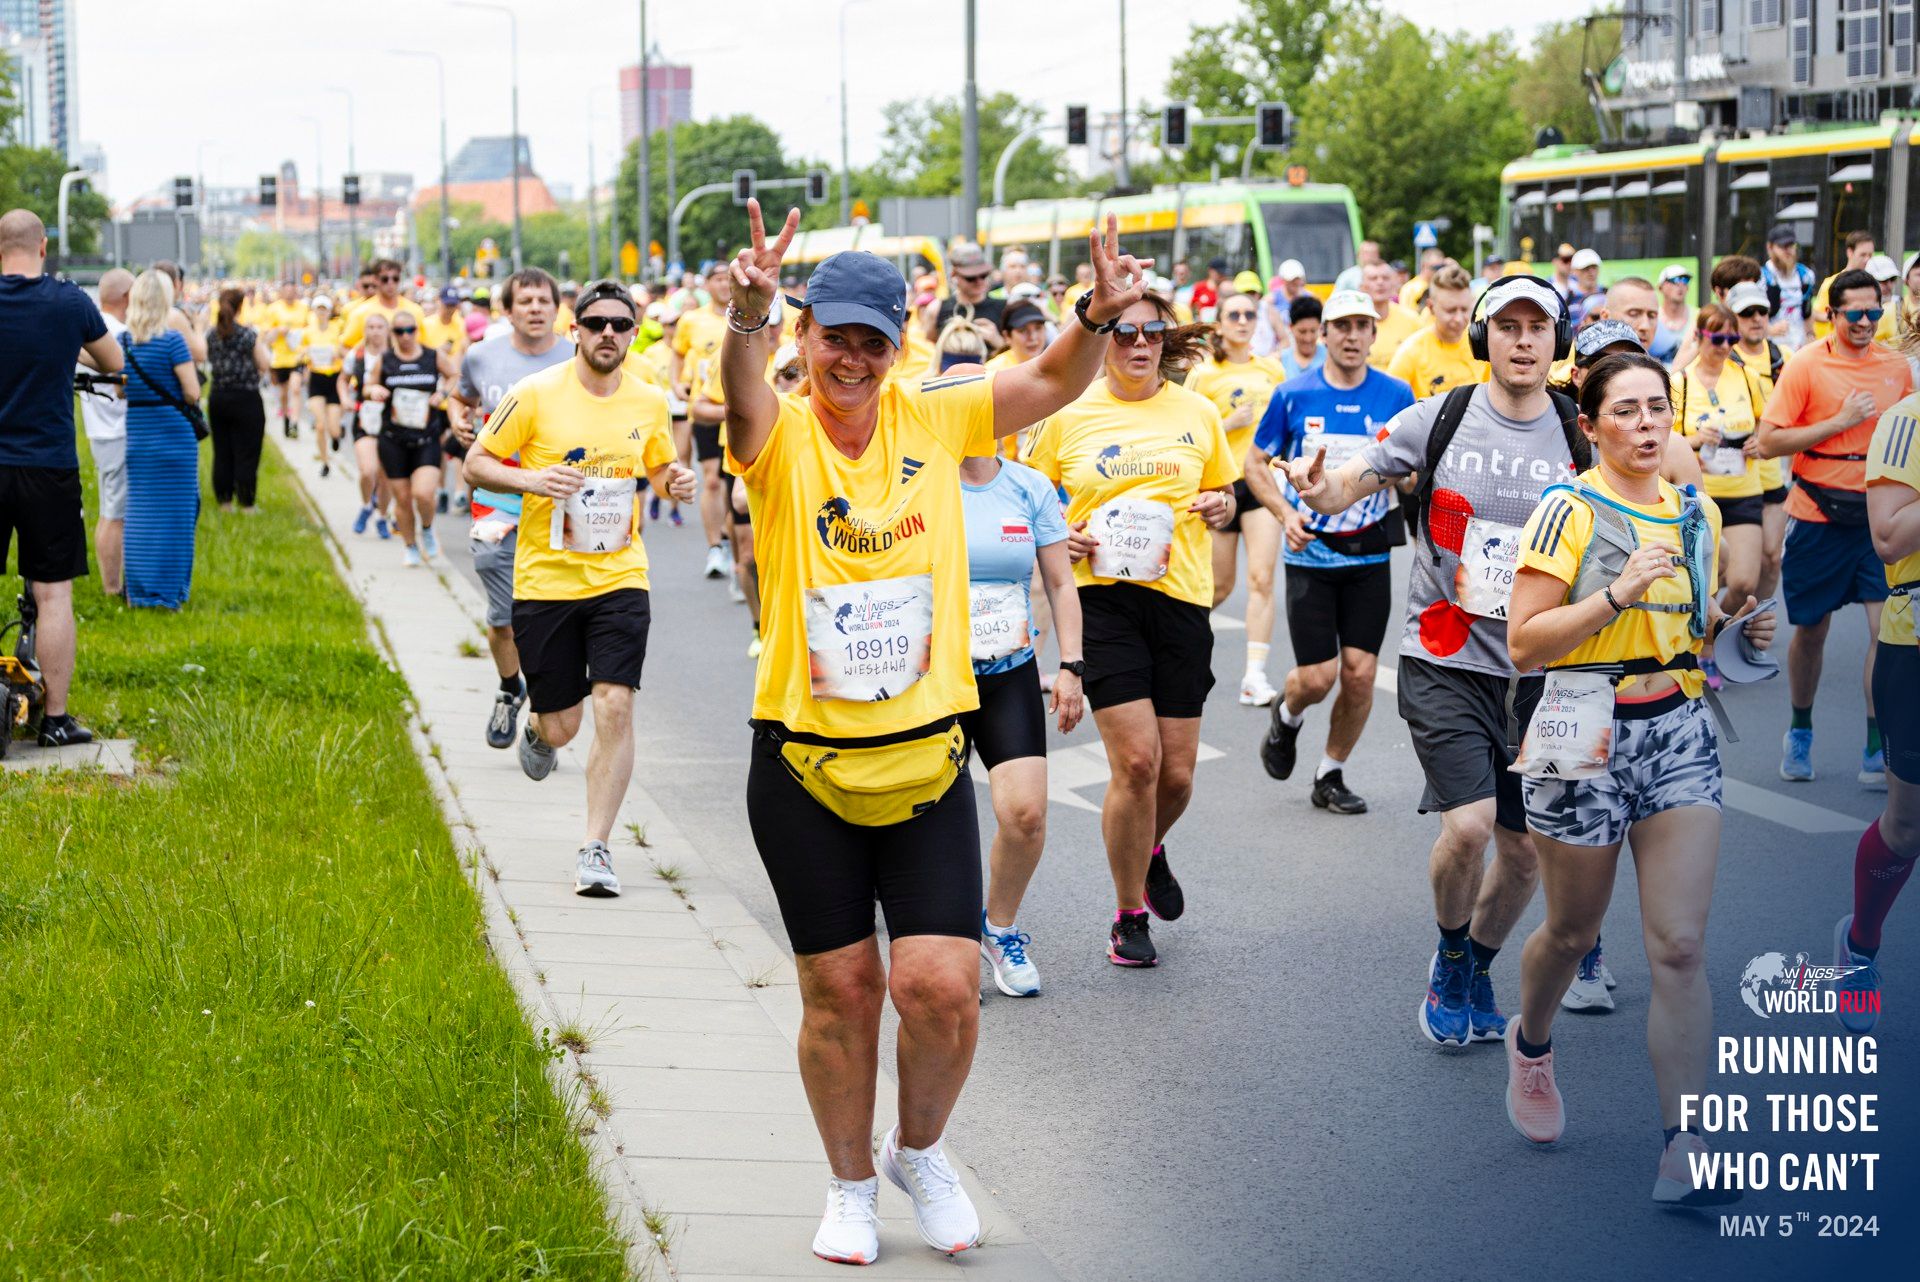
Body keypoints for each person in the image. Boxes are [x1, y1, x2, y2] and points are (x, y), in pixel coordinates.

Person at [719, 204, 1146, 1266]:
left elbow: (1049, 382)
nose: (851, 360)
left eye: (872, 342)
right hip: (805, 770)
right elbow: (742, 402)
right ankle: (849, 1186)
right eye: (833, 338)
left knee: (942, 989)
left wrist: (1095, 314)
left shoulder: (938, 415)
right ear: (805, 336)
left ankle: (920, 1151)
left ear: (898, 346)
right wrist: (747, 317)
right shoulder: (781, 436)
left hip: (922, 765)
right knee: (841, 993)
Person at [1285, 275, 1585, 1047]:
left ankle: (1477, 962)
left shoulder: (1578, 431)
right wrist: (1320, 492)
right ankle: (1451, 955)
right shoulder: (1441, 416)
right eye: (1508, 326)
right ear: (1484, 338)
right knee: (1471, 827)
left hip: (1543, 674)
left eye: (1538, 327)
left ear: (1556, 341)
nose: (1524, 341)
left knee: (1525, 855)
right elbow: (1351, 480)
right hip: (1445, 656)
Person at [1501, 350, 1762, 1208]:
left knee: (1679, 947)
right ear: (1590, 425)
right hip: (1580, 727)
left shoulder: (1694, 512)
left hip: (1678, 727)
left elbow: (1691, 624)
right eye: (1626, 411)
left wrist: (1730, 630)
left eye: (1658, 408)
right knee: (1571, 933)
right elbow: (1525, 642)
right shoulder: (1566, 510)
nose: (1647, 425)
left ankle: (1686, 1146)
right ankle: (1531, 1041)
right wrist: (1614, 594)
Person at [463, 278, 695, 895]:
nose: (608, 334)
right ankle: (538, 730)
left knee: (615, 703)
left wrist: (673, 482)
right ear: (576, 331)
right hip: (547, 582)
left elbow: (658, 466)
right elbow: (475, 464)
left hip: (621, 575)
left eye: (620, 324)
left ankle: (596, 847)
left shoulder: (648, 398)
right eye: (596, 324)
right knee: (563, 726)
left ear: (633, 332)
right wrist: (534, 480)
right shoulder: (534, 394)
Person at [1028, 291, 1238, 969]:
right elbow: (1029, 502)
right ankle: (1128, 915)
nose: (1140, 344)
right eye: (1123, 332)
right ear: (1102, 340)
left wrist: (1221, 504)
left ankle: (1147, 846)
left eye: (1152, 332)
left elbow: (1224, 493)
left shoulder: (1197, 412)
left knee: (1175, 777)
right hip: (1102, 601)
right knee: (1138, 763)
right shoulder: (1066, 413)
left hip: (1180, 601)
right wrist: (1061, 536)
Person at [1249, 289, 1414, 814]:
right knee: (1317, 678)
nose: (1351, 336)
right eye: (1341, 326)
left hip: (1369, 557)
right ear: (1323, 334)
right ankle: (1288, 713)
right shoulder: (1292, 394)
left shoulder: (1396, 394)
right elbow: (1255, 463)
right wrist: (1285, 513)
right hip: (1311, 558)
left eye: (1362, 326)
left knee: (1360, 674)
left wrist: (1409, 478)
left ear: (1374, 334)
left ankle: (1330, 773)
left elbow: (1413, 471)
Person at [1758, 268, 1914, 787]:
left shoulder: (1897, 366)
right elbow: (1769, 442)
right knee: (1812, 630)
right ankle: (1800, 728)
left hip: (1879, 517)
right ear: (1832, 314)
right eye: (1855, 313)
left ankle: (1875, 742)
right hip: (1817, 513)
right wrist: (1839, 422)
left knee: (1882, 630)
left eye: (1874, 311)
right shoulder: (1806, 364)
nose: (1866, 321)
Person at [959, 442, 1083, 998]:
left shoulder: (1029, 486)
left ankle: (998, 929)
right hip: (934, 680)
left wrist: (1071, 667)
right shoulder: (916, 476)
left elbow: (1060, 582)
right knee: (938, 820)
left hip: (1008, 669)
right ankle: (949, 942)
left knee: (1026, 814)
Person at [0, 209, 121, 745]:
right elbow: (112, 360)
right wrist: (63, 348)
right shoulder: (70, 301)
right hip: (48, 466)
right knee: (53, 596)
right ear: (43, 247)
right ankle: (54, 720)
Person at [448, 267, 575, 750]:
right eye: (526, 301)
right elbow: (459, 397)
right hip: (497, 499)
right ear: (508, 310)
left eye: (544, 301)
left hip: (560, 503)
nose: (536, 309)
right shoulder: (482, 355)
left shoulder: (576, 357)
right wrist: (459, 421)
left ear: (557, 308)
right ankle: (509, 687)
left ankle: (545, 714)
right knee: (503, 615)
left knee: (555, 616)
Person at [1835, 374, 1920, 1034]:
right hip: (1913, 643)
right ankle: (1860, 944)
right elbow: (1888, 537)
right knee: (1909, 826)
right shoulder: (1906, 422)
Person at [1186, 291, 1285, 705]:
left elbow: (1287, 423)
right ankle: (1178, 641)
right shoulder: (1204, 374)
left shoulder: (1272, 369)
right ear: (1220, 324)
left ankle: (1254, 676)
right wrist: (1226, 424)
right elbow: (1186, 433)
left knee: (1262, 579)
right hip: (1220, 485)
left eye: (1249, 314)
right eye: (1234, 315)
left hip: (1261, 481)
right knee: (1220, 584)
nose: (1243, 321)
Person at [1674, 305, 1770, 633]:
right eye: (1718, 339)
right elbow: (1666, 442)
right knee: (1705, 580)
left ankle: (1716, 633)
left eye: (1732, 339)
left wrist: (1758, 441)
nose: (1726, 346)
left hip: (1743, 490)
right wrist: (1696, 440)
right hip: (1698, 496)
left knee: (1744, 582)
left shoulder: (1747, 376)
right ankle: (1703, 640)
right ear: (1699, 336)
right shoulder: (1680, 382)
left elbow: (1765, 420)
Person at [119, 270, 202, 611]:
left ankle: (138, 591)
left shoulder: (124, 342)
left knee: (140, 515)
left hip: (139, 435)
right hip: (174, 439)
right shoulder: (172, 341)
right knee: (176, 518)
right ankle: (168, 592)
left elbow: (121, 390)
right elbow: (192, 392)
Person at [365, 308, 460, 566]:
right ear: (392, 334)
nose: (405, 336)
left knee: (424, 494)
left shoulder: (432, 356)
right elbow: (367, 386)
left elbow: (454, 375)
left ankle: (427, 528)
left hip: (426, 438)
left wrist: (442, 393)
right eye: (399, 331)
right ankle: (410, 546)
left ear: (417, 331)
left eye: (410, 330)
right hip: (393, 439)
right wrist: (374, 391)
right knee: (403, 499)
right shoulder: (385, 359)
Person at [1722, 278, 1792, 600]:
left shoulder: (1784, 357)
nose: (1756, 319)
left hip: (1772, 474)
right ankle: (1722, 623)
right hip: (1730, 480)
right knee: (1732, 572)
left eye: (1762, 311)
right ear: (1733, 318)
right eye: (1747, 312)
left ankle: (1752, 622)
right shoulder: (1722, 354)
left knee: (1772, 558)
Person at [78, 268, 133, 597]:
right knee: (115, 514)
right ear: (127, 297)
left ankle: (113, 582)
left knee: (110, 510)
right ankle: (113, 587)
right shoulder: (120, 334)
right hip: (119, 430)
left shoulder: (88, 332)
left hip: (99, 428)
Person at [205, 288, 272, 513]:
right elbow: (264, 364)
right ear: (240, 307)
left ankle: (224, 502)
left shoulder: (212, 335)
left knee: (222, 451)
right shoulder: (247, 334)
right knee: (247, 451)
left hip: (219, 397)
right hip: (246, 397)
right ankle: (246, 503)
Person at [1387, 265, 1486, 399]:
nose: (1458, 318)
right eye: (1450, 310)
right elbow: (1388, 401)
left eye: (1464, 309)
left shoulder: (1482, 345)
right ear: (1431, 307)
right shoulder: (1411, 352)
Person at [928, 243, 1006, 347]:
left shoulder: (1004, 308)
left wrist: (997, 341)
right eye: (971, 278)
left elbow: (1016, 353)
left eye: (983, 275)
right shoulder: (936, 309)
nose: (979, 281)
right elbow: (929, 349)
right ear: (954, 275)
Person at [303, 295, 346, 477]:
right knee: (320, 425)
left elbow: (346, 351)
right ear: (314, 311)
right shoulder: (308, 332)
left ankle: (336, 436)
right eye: (318, 309)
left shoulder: (337, 329)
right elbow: (301, 352)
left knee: (333, 426)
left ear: (329, 311)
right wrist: (306, 355)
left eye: (324, 309)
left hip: (334, 378)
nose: (321, 313)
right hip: (316, 378)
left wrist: (338, 353)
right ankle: (325, 461)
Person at [341, 258, 426, 347]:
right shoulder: (361, 312)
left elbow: (425, 345)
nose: (390, 283)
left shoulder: (415, 310)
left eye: (395, 279)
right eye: (385, 279)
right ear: (375, 280)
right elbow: (344, 346)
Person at [262, 281, 308, 437]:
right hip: (280, 357)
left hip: (298, 356)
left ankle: (294, 423)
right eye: (286, 291)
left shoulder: (303, 308)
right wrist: (278, 330)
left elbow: (309, 330)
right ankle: (286, 419)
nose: (289, 294)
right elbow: (266, 337)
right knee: (283, 393)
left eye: (292, 291)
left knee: (295, 389)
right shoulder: (274, 309)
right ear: (281, 292)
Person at [1811, 230, 1876, 339]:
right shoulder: (1832, 283)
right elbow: (1815, 314)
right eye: (1863, 254)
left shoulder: (1872, 285)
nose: (1867, 259)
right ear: (1850, 252)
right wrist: (1842, 316)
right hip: (1833, 344)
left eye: (1870, 255)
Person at [1762, 225, 1816, 349]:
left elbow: (1807, 311)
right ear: (1770, 247)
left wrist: (1810, 334)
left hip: (1799, 347)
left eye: (1791, 245)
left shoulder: (1806, 275)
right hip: (1772, 347)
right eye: (1782, 246)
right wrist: (1768, 330)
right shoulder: (1761, 277)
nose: (1788, 251)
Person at [1361, 261, 1420, 372]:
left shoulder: (1412, 319)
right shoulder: (1353, 323)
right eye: (1373, 278)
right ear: (1362, 287)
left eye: (1385, 278)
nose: (1380, 282)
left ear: (1394, 284)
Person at [1277, 293, 1325, 379]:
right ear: (1291, 327)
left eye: (1313, 331)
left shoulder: (1330, 359)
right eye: (1302, 332)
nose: (1308, 339)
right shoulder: (1279, 361)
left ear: (1320, 328)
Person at [1650, 265, 1691, 363]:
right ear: (1660, 287)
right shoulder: (1650, 318)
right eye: (1675, 280)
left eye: (1685, 280)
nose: (1681, 285)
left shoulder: (1699, 317)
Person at [1567, 249, 1603, 313]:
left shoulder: (1607, 295)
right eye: (1586, 268)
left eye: (1594, 267)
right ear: (1574, 271)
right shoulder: (1568, 299)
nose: (1591, 273)